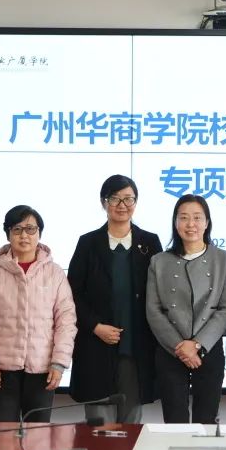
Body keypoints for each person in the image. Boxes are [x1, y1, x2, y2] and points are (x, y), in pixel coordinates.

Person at [68, 175, 163, 423]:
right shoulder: (87, 243)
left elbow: (161, 292)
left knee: (131, 423)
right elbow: (72, 294)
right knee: (99, 426)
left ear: (136, 202)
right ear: (104, 202)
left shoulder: (150, 242)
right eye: (115, 199)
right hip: (96, 346)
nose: (122, 205)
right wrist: (95, 326)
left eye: (128, 199)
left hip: (136, 347)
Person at [0, 205, 77, 423]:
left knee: (38, 437)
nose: (24, 236)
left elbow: (66, 321)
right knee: (4, 435)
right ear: (8, 234)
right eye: (17, 229)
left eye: (30, 229)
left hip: (43, 368)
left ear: (39, 233)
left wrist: (59, 363)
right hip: (3, 370)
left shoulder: (55, 273)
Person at [146, 195, 226, 424]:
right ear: (175, 223)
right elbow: (153, 310)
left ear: (207, 223)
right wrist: (181, 347)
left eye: (197, 218)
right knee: (174, 422)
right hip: (170, 350)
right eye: (184, 218)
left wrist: (196, 345)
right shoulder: (159, 261)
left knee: (206, 422)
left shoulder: (224, 259)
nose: (191, 224)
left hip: (208, 349)